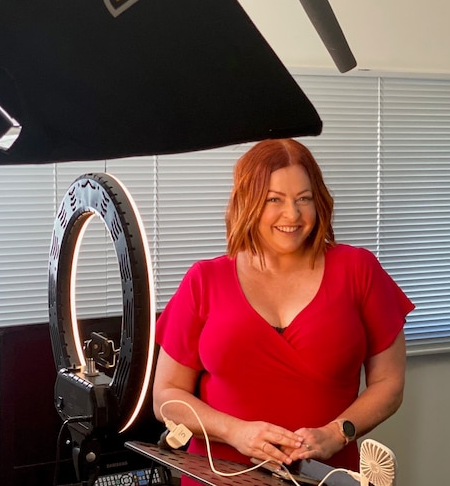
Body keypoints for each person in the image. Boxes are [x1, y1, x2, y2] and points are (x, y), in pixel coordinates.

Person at [152, 138, 414, 483]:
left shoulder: (358, 270)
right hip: (219, 476)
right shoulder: (204, 279)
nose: (292, 215)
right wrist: (235, 432)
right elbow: (166, 397)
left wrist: (337, 433)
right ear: (248, 202)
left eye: (303, 199)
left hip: (325, 475)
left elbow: (389, 383)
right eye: (274, 199)